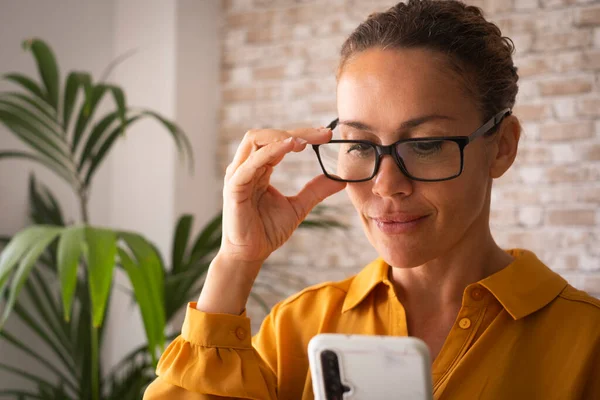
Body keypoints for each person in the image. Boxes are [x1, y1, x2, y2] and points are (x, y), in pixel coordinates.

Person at [144, 1, 600, 398]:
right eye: (360, 146)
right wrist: (236, 261)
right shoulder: (298, 328)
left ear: (501, 146)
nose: (385, 185)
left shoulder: (587, 343)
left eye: (423, 144)